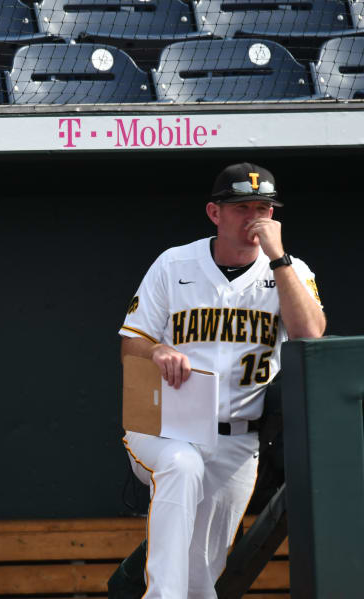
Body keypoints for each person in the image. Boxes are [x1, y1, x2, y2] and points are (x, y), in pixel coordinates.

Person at [118, 162, 325, 599]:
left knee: (203, 576)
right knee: (181, 464)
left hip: (237, 440)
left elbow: (310, 333)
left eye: (264, 208)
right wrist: (158, 349)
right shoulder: (174, 263)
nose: (254, 217)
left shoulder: (290, 270)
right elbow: (131, 342)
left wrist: (280, 259)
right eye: (241, 207)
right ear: (215, 213)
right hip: (165, 424)